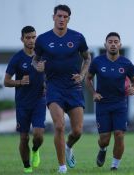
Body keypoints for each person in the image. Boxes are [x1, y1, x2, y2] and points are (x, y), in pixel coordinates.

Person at [32, 4, 92, 173]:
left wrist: (81, 75)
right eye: (59, 16)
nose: (62, 19)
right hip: (53, 87)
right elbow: (34, 60)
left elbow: (87, 58)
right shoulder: (43, 39)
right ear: (53, 17)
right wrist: (38, 67)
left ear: (68, 19)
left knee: (78, 131)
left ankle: (69, 146)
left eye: (65, 17)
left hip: (73, 87)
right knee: (59, 126)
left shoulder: (78, 37)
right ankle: (62, 167)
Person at [85, 32, 134, 171]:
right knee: (105, 138)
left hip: (120, 104)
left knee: (119, 135)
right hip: (103, 104)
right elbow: (88, 79)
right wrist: (94, 93)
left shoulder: (126, 63)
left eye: (116, 42)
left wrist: (133, 89)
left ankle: (115, 165)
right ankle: (102, 149)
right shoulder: (98, 61)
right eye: (110, 42)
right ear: (105, 45)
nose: (113, 44)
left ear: (120, 45)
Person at [4, 26, 46, 174]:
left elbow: (52, 74)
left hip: (39, 101)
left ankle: (35, 150)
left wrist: (47, 84)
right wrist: (20, 82)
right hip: (22, 104)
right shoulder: (17, 58)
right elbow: (6, 81)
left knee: (39, 135)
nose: (31, 40)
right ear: (22, 39)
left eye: (34, 37)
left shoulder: (43, 56)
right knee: (23, 138)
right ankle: (27, 167)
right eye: (28, 37)